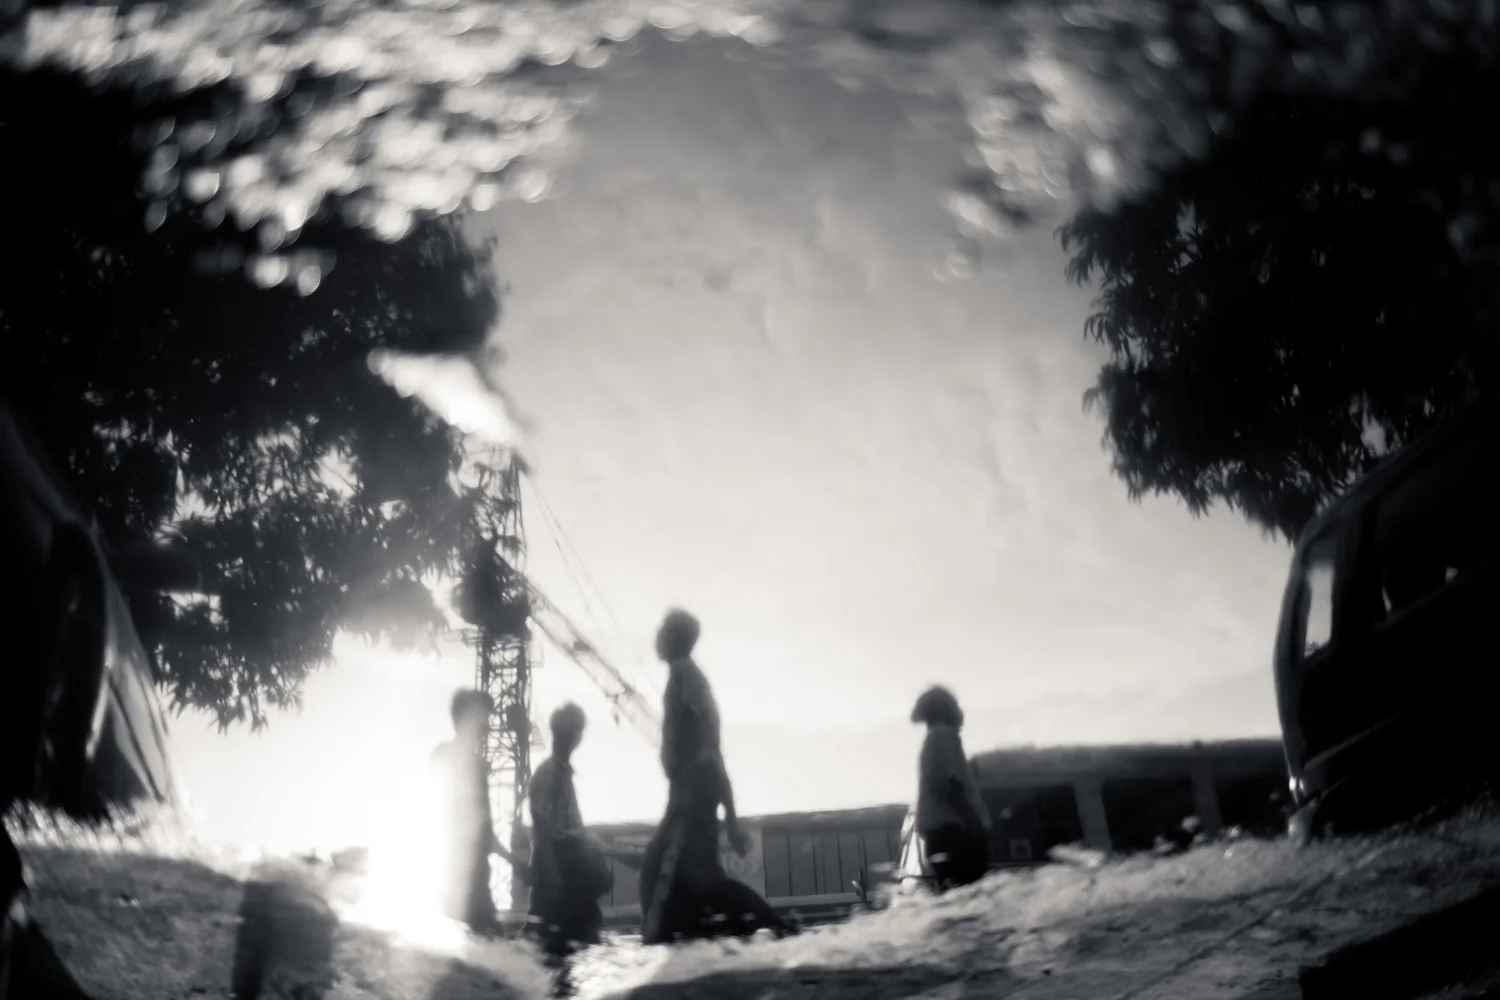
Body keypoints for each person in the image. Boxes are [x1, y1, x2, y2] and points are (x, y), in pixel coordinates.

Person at [638, 609, 791, 944]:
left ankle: (777, 927)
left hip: (690, 795)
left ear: (673, 638)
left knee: (662, 874)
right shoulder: (686, 678)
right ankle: (757, 933)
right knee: (697, 879)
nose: (655, 638)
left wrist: (728, 813)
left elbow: (708, 745)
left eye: (661, 631)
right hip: (692, 792)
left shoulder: (685, 678)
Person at [526, 702, 613, 960]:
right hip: (563, 873)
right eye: (574, 731)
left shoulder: (562, 775)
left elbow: (577, 833)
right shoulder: (548, 775)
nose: (574, 737)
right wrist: (551, 874)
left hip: (570, 872)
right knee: (558, 945)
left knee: (574, 942)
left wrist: (620, 854)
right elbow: (542, 832)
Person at [431, 689, 516, 932]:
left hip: (470, 879)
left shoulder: (453, 758)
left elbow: (483, 830)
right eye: (483, 717)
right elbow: (476, 829)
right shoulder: (451, 759)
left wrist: (513, 860)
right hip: (464, 882)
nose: (488, 726)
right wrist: (514, 860)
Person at [911, 685, 992, 891]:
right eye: (953, 704)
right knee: (967, 898)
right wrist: (974, 824)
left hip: (941, 836)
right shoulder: (943, 736)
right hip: (955, 834)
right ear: (943, 709)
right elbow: (948, 785)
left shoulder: (933, 740)